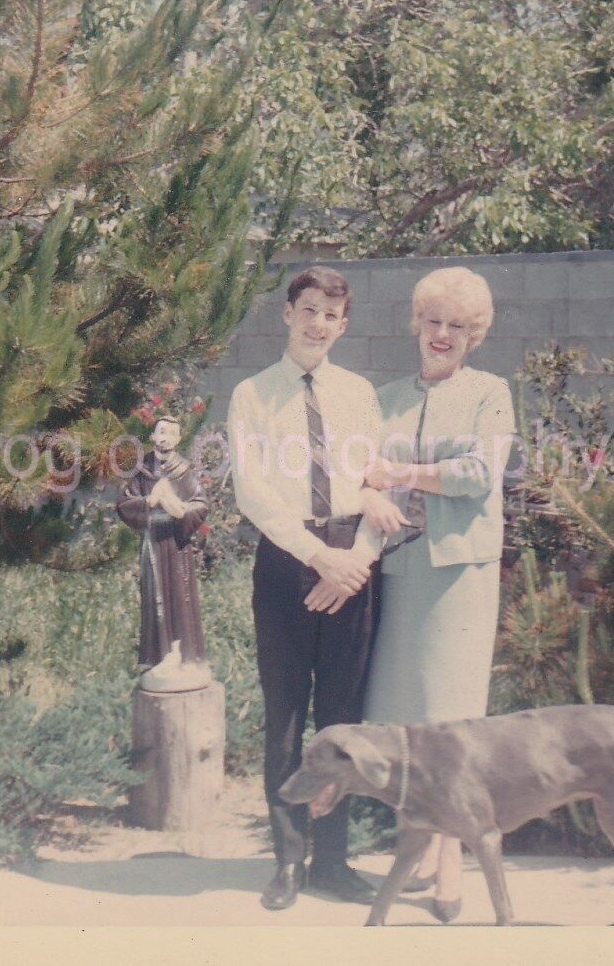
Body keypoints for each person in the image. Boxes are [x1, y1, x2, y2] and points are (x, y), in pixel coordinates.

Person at [226, 266, 409, 911]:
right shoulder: (252, 395)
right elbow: (255, 494)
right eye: (308, 309)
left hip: (352, 564)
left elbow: (377, 482)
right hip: (286, 564)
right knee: (285, 718)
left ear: (343, 323)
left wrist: (355, 561)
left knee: (342, 720)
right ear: (288, 313)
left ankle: (333, 860)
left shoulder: (360, 395)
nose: (318, 323)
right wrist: (318, 558)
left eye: (331, 315)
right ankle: (289, 861)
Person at [342, 266, 515, 923]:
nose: (442, 335)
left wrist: (402, 473)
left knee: (450, 726)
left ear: (475, 336)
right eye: (433, 321)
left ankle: (450, 869)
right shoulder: (382, 398)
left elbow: (477, 475)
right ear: (417, 325)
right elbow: (353, 472)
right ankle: (419, 855)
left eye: (458, 326)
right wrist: (367, 488)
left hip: (458, 578)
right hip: (398, 573)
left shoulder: (489, 394)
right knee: (409, 724)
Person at [115, 415, 212, 693]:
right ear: (153, 436)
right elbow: (124, 503)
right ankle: (158, 655)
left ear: (179, 439)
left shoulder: (185, 471)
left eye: (171, 433)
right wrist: (150, 501)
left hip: (177, 544)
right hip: (153, 541)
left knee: (179, 596)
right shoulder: (141, 470)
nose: (165, 437)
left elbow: (200, 504)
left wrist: (178, 509)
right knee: (154, 594)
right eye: (161, 432)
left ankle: (184, 654)